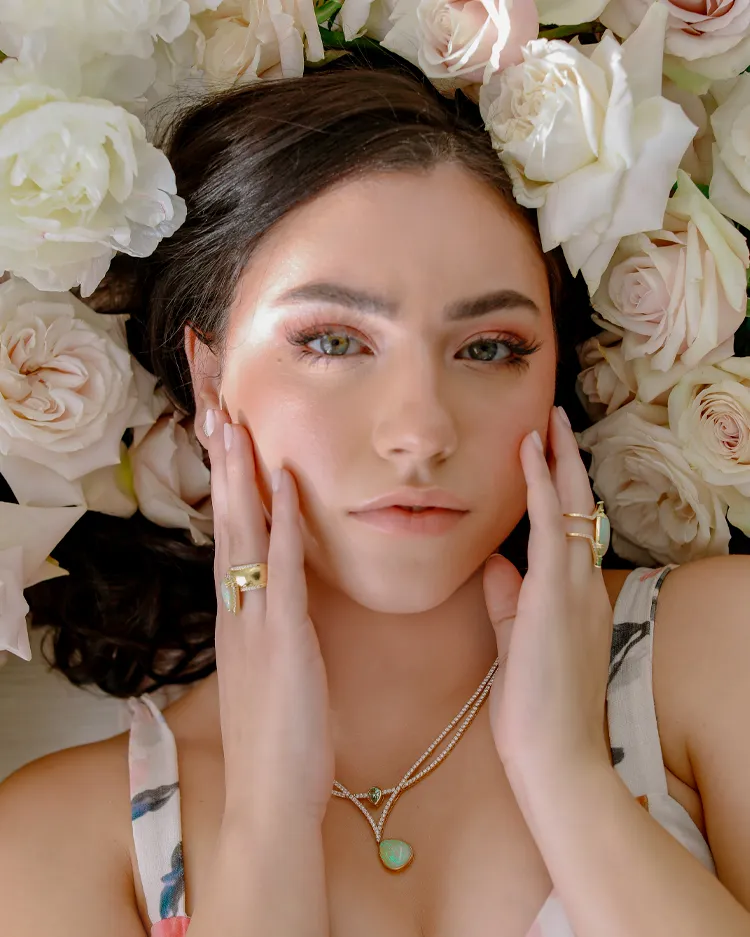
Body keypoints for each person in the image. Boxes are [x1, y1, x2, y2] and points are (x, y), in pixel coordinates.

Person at [1, 65, 750, 937]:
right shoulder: (53, 842)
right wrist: (269, 821)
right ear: (208, 380)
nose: (420, 430)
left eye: (489, 348)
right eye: (333, 340)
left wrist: (569, 773)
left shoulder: (714, 649)